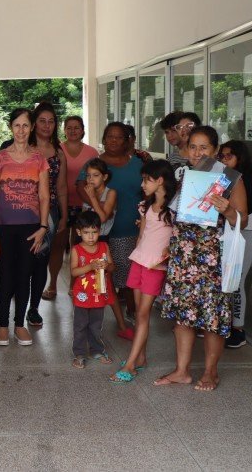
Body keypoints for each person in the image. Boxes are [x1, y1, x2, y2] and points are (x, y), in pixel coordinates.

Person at [156, 126, 248, 391]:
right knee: (183, 316)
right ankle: (182, 371)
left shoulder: (230, 178)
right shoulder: (185, 175)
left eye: (203, 147)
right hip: (184, 256)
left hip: (213, 259)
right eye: (193, 147)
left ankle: (210, 372)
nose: (197, 153)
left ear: (215, 150)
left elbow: (242, 220)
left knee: (212, 318)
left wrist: (228, 210)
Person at [0, 108, 49, 346]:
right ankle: (3, 325)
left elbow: (43, 197)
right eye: (17, 126)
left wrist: (43, 227)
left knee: (25, 276)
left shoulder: (39, 159)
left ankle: (20, 324)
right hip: (2, 227)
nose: (21, 131)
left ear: (31, 128)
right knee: (5, 276)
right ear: (11, 128)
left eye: (25, 126)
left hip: (31, 227)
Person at [110, 160, 176, 383]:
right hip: (139, 261)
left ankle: (130, 363)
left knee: (143, 314)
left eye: (147, 179)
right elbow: (142, 236)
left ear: (160, 181)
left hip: (155, 266)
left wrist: (166, 255)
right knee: (138, 312)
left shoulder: (174, 209)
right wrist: (137, 253)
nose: (143, 184)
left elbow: (176, 240)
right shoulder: (146, 206)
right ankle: (141, 358)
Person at [76, 123, 139, 340]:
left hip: (112, 236)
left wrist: (93, 198)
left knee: (116, 278)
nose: (113, 140)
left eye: (118, 137)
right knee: (86, 282)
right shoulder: (93, 170)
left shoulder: (134, 165)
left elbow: (103, 216)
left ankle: (126, 319)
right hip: (89, 241)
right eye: (109, 136)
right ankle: (88, 326)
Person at [43, 116, 98, 301]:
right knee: (57, 246)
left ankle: (76, 285)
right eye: (69, 128)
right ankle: (52, 284)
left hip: (84, 205)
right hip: (60, 204)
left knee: (79, 247)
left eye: (77, 128)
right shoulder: (57, 150)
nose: (73, 131)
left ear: (83, 130)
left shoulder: (92, 152)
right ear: (64, 130)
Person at [25, 102, 67, 326]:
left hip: (49, 213)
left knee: (41, 260)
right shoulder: (23, 148)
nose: (47, 125)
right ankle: (11, 306)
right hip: (22, 210)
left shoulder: (59, 153)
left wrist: (64, 216)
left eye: (51, 121)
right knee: (22, 261)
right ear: (33, 123)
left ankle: (33, 309)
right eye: (42, 120)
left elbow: (61, 189)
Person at [218, 140, 252, 349]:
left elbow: (244, 212)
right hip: (227, 232)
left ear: (240, 158)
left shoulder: (246, 181)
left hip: (245, 232)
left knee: (237, 281)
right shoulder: (222, 177)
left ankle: (238, 329)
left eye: (229, 156)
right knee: (226, 281)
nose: (224, 160)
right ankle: (225, 325)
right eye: (222, 156)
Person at [70, 211, 114, 368]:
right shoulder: (76, 250)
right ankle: (79, 354)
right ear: (79, 232)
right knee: (80, 325)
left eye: (94, 232)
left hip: (99, 294)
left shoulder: (103, 246)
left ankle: (97, 350)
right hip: (82, 295)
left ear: (99, 231)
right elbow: (74, 272)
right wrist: (89, 266)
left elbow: (112, 266)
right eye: (86, 233)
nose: (90, 237)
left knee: (96, 325)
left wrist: (106, 266)